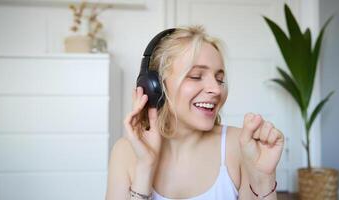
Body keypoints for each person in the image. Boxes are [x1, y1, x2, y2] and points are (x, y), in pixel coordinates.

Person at [106, 25, 285, 200]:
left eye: (220, 79)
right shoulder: (126, 151)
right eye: (196, 76)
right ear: (155, 86)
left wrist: (263, 179)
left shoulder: (240, 145)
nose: (216, 89)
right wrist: (145, 167)